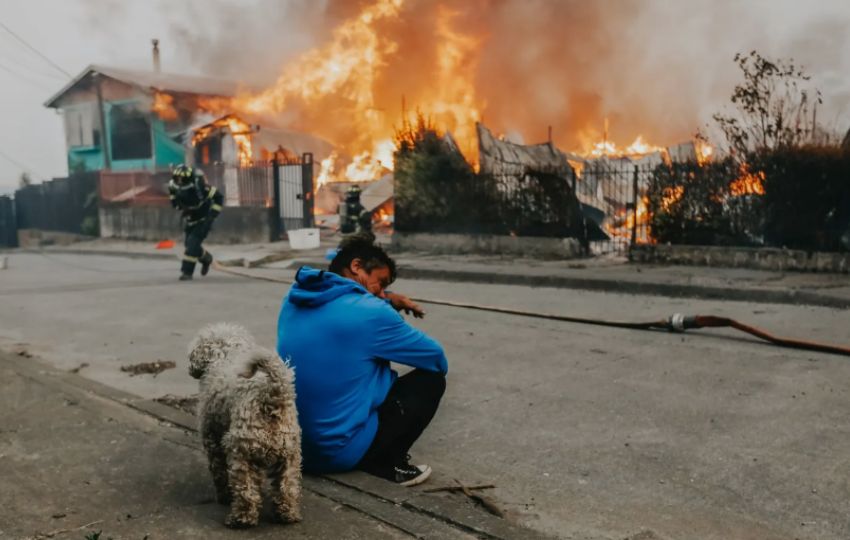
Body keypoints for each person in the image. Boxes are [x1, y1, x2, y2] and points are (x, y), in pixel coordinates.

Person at [277, 236, 447, 486]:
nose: (380, 293)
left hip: (291, 447)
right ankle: (387, 463)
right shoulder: (372, 312)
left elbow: (344, 311)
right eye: (380, 283)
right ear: (356, 266)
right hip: (334, 455)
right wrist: (387, 311)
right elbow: (436, 359)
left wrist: (388, 299)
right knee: (430, 382)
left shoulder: (294, 299)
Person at [168, 164, 223, 281]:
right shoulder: (173, 186)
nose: (179, 181)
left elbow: (219, 197)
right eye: (177, 178)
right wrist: (182, 209)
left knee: (192, 245)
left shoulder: (200, 186)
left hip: (204, 219)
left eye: (182, 179)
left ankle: (187, 272)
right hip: (190, 220)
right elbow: (174, 201)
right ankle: (207, 258)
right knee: (189, 245)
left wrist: (212, 215)